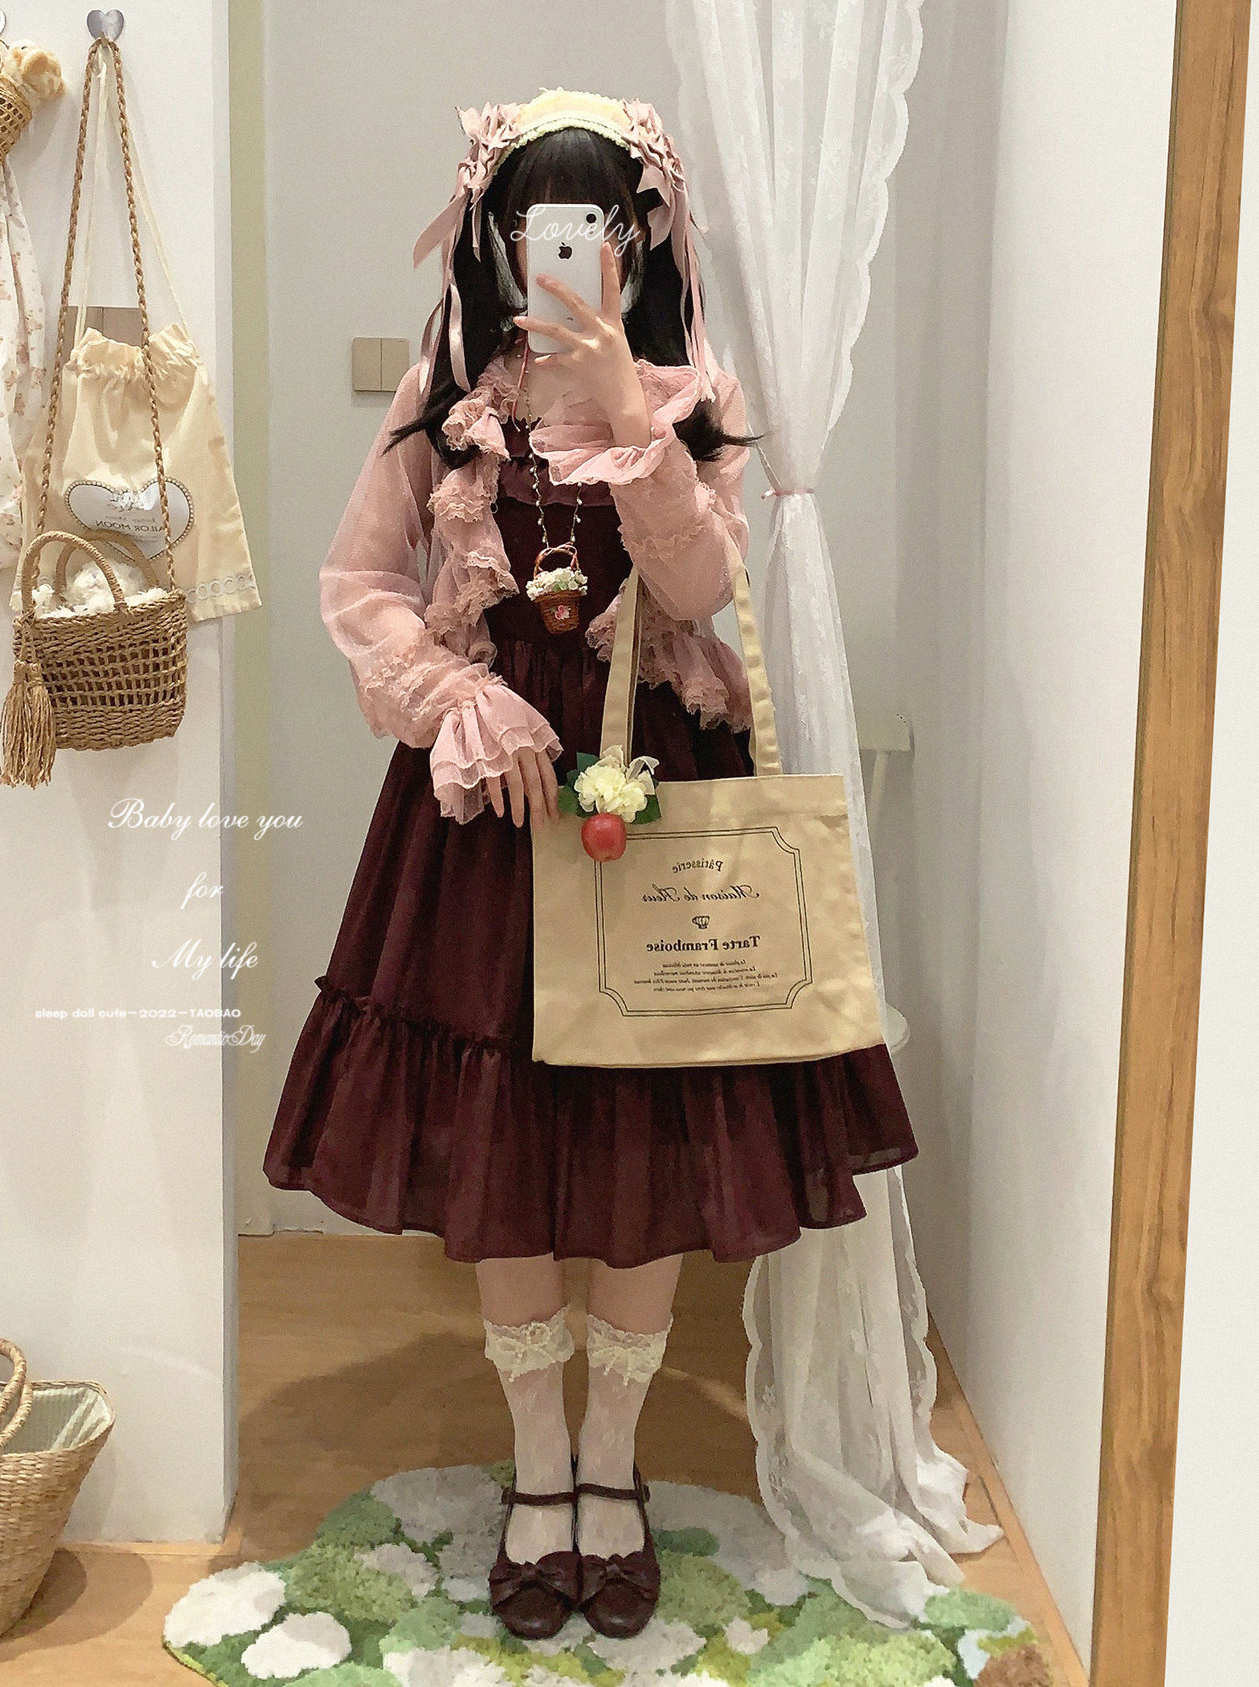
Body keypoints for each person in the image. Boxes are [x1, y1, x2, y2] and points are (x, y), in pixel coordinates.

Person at [264, 88, 918, 1643]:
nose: (568, 247)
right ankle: (539, 1464)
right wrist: (453, 693)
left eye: (601, 220)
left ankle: (611, 1463)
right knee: (504, 1142)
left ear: (642, 233)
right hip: (486, 813)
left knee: (638, 1125)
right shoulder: (444, 396)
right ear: (496, 235)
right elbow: (357, 581)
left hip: (652, 788)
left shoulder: (692, 397)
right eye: (537, 220)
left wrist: (631, 408)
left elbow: (697, 586)